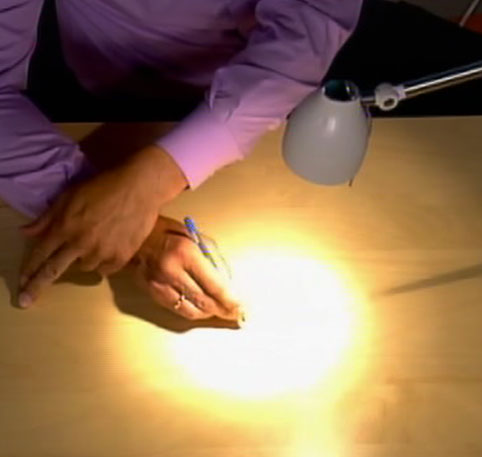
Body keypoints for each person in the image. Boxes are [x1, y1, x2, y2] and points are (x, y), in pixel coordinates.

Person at [0, 0, 363, 320]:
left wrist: (153, 182)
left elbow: (305, 33)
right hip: (92, 97)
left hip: (265, 104)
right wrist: (137, 227)